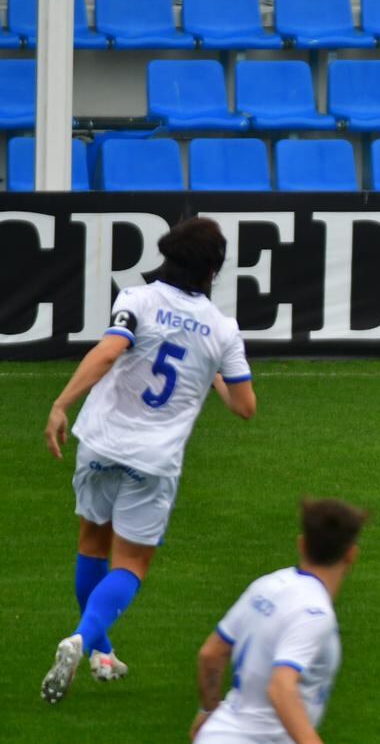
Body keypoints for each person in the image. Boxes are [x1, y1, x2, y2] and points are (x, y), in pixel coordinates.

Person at [41, 217, 256, 704]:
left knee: (92, 545)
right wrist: (215, 374)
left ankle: (100, 651)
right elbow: (245, 408)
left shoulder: (135, 299)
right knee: (131, 563)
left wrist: (61, 404)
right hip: (153, 460)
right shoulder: (223, 331)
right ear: (213, 271)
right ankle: (83, 638)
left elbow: (109, 351)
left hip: (99, 441)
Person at [190, 498, 366, 744]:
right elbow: (281, 687)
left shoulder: (267, 585)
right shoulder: (314, 613)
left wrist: (209, 712)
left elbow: (211, 653)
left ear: (302, 544)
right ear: (351, 554)